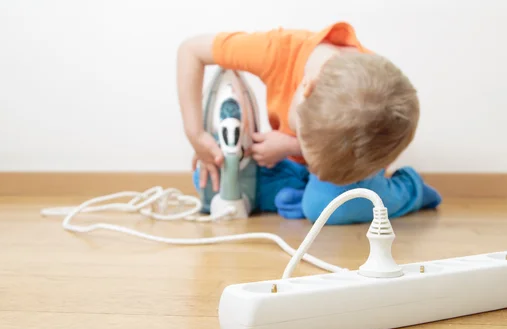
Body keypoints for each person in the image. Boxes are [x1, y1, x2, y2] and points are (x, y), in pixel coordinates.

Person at [176, 22, 441, 225]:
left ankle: (409, 189)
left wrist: (294, 145)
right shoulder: (277, 52)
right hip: (296, 160)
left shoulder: (375, 103)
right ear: (305, 88)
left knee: (328, 207)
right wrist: (196, 135)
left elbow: (362, 158)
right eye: (302, 136)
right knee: (211, 178)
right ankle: (306, 188)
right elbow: (191, 50)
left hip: (345, 168)